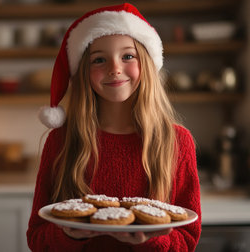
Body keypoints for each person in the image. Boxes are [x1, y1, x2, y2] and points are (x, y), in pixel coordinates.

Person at [27, 3, 201, 251]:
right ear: (84, 73)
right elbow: (38, 240)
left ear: (147, 65)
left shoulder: (177, 141)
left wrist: (151, 239)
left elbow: (187, 241)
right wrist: (71, 236)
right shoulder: (62, 140)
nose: (115, 68)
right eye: (99, 59)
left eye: (128, 56)